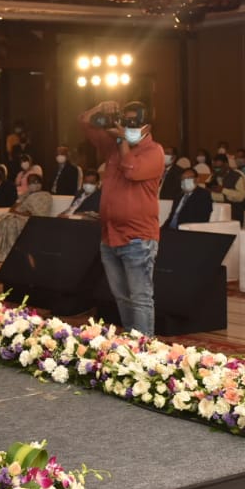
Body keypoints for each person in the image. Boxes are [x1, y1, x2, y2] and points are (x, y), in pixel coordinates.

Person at [80, 100, 165, 336]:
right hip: (110, 235)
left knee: (140, 297)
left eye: (132, 123)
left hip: (138, 237)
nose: (127, 127)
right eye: (124, 122)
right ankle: (131, 341)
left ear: (147, 126)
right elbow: (85, 123)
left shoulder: (154, 151)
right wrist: (99, 108)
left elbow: (132, 170)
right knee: (121, 297)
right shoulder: (113, 147)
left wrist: (122, 142)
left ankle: (144, 349)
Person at [0, 173, 53, 262]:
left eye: (37, 181)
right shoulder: (26, 194)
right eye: (32, 182)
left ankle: (10, 255)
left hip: (34, 220)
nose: (35, 184)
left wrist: (18, 213)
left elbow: (37, 213)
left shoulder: (45, 195)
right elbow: (14, 207)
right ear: (28, 184)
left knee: (10, 224)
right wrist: (17, 209)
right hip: (19, 216)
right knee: (0, 222)